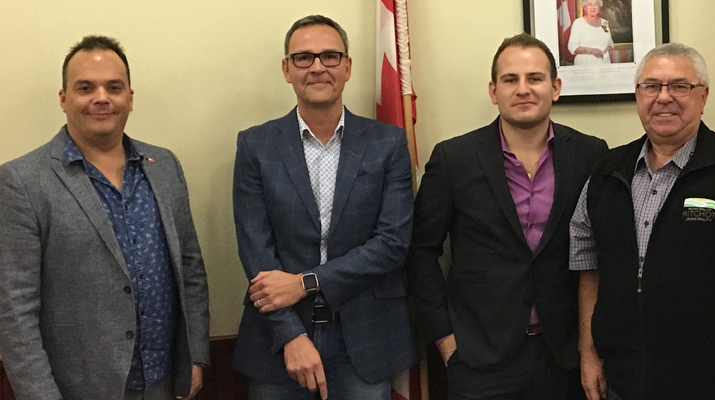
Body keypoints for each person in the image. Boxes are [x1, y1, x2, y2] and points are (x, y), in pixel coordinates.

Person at [570, 42, 715, 400]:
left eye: (680, 86)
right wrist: (589, 353)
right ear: (638, 95)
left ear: (703, 97)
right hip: (624, 380)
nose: (664, 97)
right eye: (651, 86)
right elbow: (588, 268)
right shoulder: (606, 172)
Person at [0, 35, 209, 400]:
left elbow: (189, 269)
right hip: (78, 389)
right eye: (85, 87)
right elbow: (14, 310)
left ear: (130, 97)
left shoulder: (164, 167)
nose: (101, 97)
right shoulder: (21, 181)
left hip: (163, 380)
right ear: (63, 98)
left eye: (114, 87)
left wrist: (195, 356)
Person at [406, 33, 608, 400]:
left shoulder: (591, 154)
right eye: (510, 80)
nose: (523, 89)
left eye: (535, 78)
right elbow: (420, 251)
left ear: (555, 87)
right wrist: (447, 342)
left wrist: (589, 347)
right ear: (493, 90)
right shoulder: (455, 159)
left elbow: (599, 254)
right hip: (479, 357)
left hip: (564, 355)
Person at [231, 14, 419, 400]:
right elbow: (257, 253)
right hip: (277, 340)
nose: (317, 67)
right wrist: (291, 336)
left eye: (330, 56)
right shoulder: (256, 146)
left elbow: (392, 243)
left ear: (347, 67)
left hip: (364, 340)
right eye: (303, 58)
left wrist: (306, 283)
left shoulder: (388, 143)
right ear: (286, 69)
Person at [567, 0, 614, 65]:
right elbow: (572, 46)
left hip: (603, 63)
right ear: (585, 7)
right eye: (590, 5)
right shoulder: (578, 23)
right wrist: (591, 51)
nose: (593, 7)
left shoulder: (604, 23)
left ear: (599, 7)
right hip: (585, 64)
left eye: (595, 4)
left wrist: (608, 49)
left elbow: (610, 43)